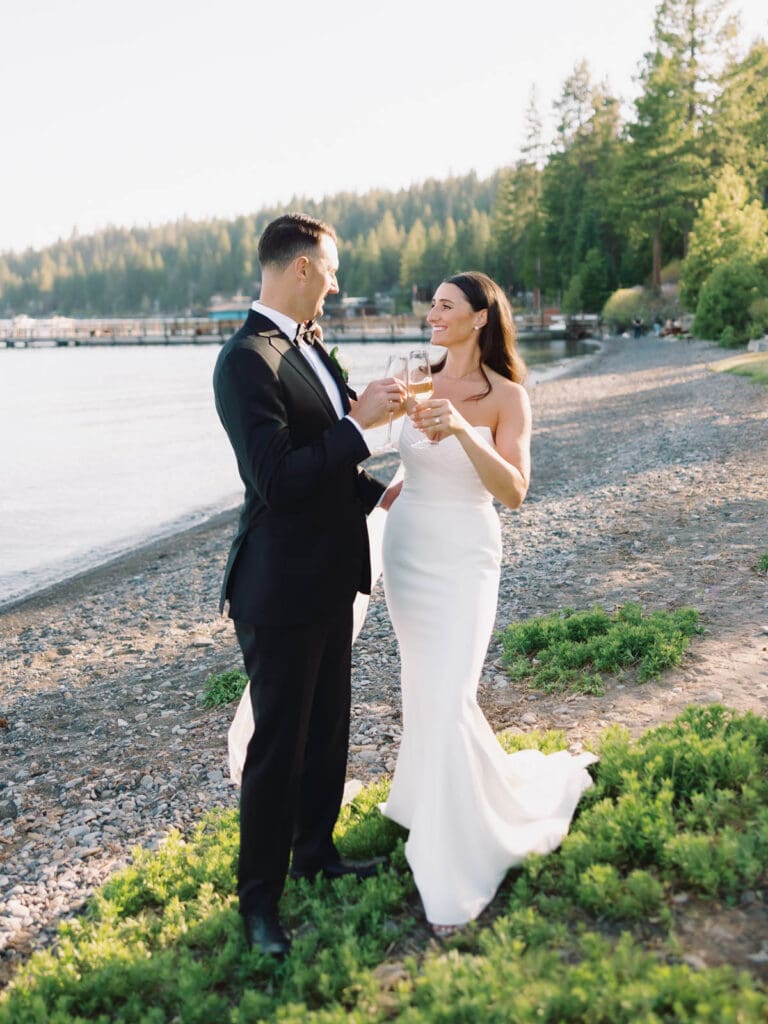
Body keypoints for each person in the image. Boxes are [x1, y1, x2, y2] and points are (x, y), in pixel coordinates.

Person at [212, 213, 406, 958]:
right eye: (330, 269)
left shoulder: (313, 346)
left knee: (327, 728)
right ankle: (258, 904)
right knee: (277, 748)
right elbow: (279, 478)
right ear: (299, 268)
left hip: (332, 574)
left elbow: (329, 460)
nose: (335, 282)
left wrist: (379, 495)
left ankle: (316, 855)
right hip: (277, 585)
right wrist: (359, 425)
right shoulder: (244, 362)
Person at [379, 271, 597, 936]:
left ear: (479, 318)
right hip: (409, 549)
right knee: (423, 688)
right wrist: (385, 493)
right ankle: (427, 803)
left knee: (451, 693)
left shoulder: (508, 397)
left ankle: (454, 861)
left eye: (445, 307)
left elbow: (514, 491)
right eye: (432, 306)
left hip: (468, 552)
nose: (431, 315)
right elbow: (408, 457)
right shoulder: (415, 376)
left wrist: (466, 432)